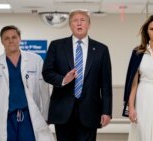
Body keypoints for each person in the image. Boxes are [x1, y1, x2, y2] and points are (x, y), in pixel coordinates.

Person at [42, 10, 112, 141]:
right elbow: (47, 73)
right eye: (75, 20)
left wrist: (107, 111)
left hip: (90, 111)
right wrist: (63, 79)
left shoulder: (101, 49)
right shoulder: (56, 46)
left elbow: (106, 84)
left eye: (83, 20)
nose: (79, 23)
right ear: (70, 25)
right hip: (63, 111)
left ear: (89, 25)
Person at [0, 25, 55, 141]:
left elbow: (44, 90)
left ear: (19, 38)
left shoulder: (35, 60)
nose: (11, 41)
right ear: (2, 41)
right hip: (6, 116)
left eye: (14, 37)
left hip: (29, 116)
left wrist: (47, 114)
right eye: (6, 38)